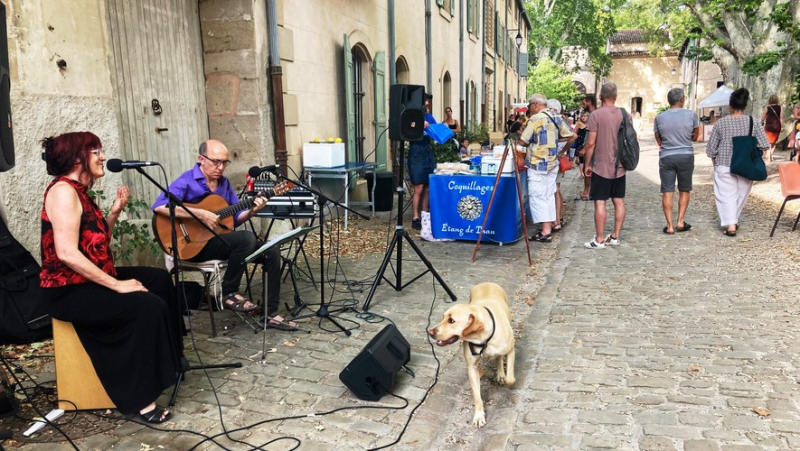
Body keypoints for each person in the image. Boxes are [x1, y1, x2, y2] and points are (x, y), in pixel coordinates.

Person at [40, 132, 181, 423]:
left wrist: (114, 212)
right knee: (146, 305)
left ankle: (172, 362)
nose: (103, 156)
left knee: (158, 280)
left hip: (90, 278)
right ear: (78, 157)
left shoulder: (80, 192)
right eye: (96, 151)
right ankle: (141, 401)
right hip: (68, 290)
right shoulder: (63, 192)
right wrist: (117, 285)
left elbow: (95, 242)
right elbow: (67, 253)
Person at [152, 140, 290, 327]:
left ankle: (270, 313)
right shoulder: (186, 181)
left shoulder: (224, 184)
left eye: (225, 162)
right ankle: (229, 291)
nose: (221, 167)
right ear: (201, 159)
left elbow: (233, 218)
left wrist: (251, 211)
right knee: (246, 238)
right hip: (192, 245)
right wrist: (200, 214)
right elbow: (160, 206)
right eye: (216, 161)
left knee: (271, 251)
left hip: (216, 240)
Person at [707, 88, 769, 236]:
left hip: (724, 163)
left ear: (730, 105)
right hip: (746, 164)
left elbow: (711, 149)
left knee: (725, 195)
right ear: (745, 105)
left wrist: (714, 161)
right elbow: (765, 144)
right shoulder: (752, 122)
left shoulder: (721, 124)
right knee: (741, 195)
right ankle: (733, 221)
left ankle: (731, 224)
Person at [518, 94, 574, 242]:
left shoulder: (536, 119)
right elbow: (570, 135)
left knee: (538, 196)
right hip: (552, 162)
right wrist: (556, 143)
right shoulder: (555, 117)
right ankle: (547, 228)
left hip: (537, 163)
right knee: (549, 195)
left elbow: (523, 141)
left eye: (530, 106)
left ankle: (545, 231)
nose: (530, 110)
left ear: (535, 104)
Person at [583, 83, 626, 249]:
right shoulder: (624, 114)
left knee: (600, 202)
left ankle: (599, 239)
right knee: (619, 201)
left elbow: (591, 143)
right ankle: (615, 236)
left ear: (600, 96)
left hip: (601, 165)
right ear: (615, 96)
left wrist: (587, 164)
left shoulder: (596, 115)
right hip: (620, 165)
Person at [654, 88, 700, 235]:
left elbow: (658, 138)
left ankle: (669, 226)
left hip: (666, 155)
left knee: (667, 190)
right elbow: (695, 136)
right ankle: (680, 221)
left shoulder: (659, 117)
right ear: (682, 100)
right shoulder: (691, 115)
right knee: (684, 189)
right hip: (685, 154)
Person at [407, 94, 437, 231]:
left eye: (428, 102)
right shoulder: (412, 115)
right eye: (425, 101)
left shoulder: (429, 116)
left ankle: (425, 215)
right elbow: (408, 130)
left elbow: (435, 129)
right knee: (419, 186)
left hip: (427, 151)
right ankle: (415, 217)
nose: (427, 104)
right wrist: (420, 125)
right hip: (416, 151)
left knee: (427, 186)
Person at [760, 94, 783, 163]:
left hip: (769, 127)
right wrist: (782, 126)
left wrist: (761, 123)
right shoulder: (780, 107)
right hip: (777, 127)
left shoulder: (767, 108)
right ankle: (770, 156)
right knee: (773, 143)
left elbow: (762, 118)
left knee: (768, 143)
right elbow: (781, 118)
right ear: (777, 100)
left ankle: (768, 159)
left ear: (769, 100)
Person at [573, 112, 591, 200]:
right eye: (582, 116)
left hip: (587, 145)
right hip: (581, 144)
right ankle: (581, 173)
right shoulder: (578, 124)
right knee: (581, 160)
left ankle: (587, 190)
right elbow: (574, 133)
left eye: (585, 116)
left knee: (587, 163)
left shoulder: (591, 124)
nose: (583, 118)